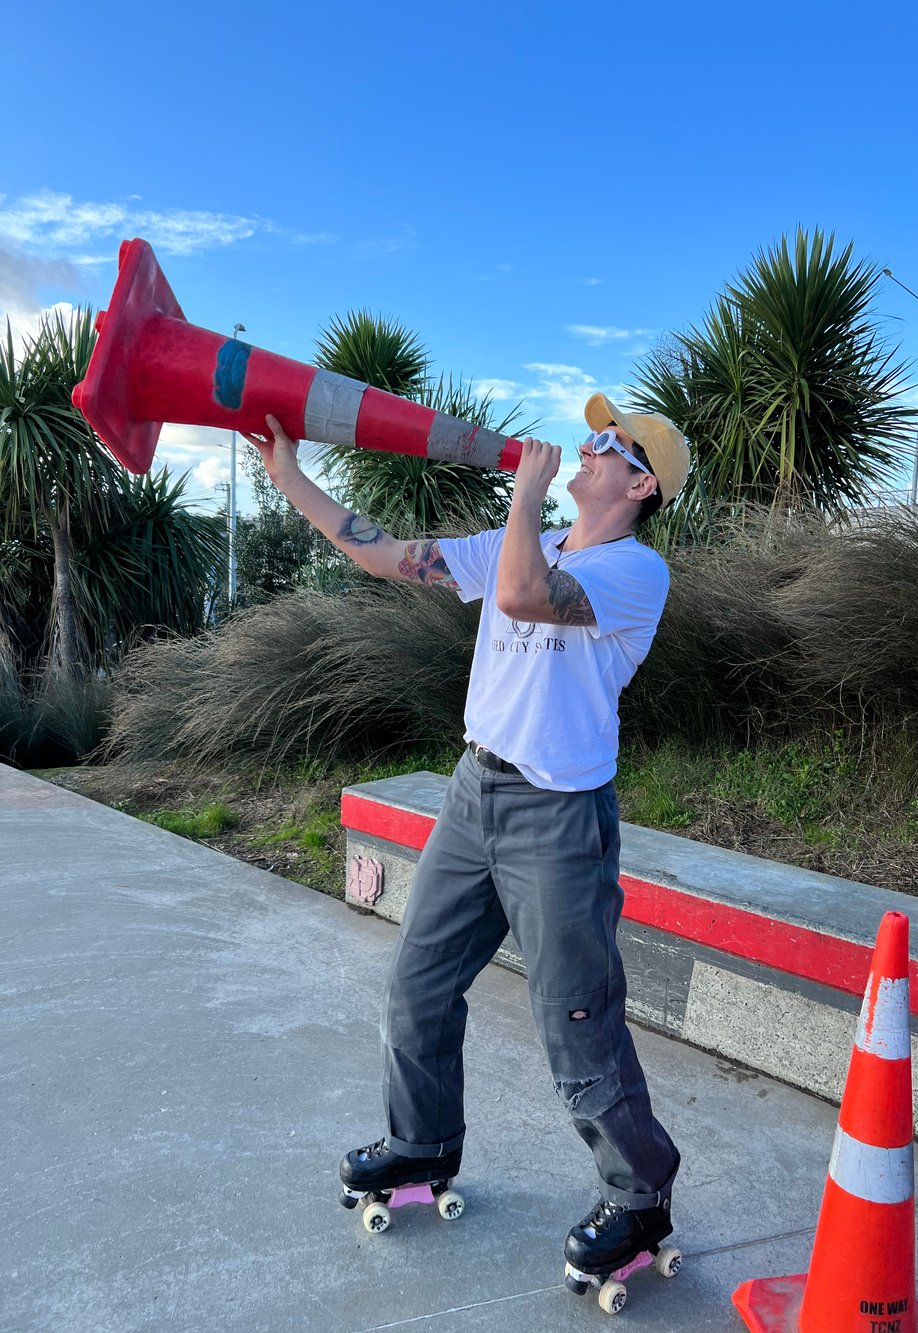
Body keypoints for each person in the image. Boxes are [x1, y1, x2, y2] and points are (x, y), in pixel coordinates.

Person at [247, 392, 690, 1279]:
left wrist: (524, 495)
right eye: (592, 435)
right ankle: (421, 1142)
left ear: (640, 483)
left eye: (607, 445)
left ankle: (640, 1195)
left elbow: (525, 597)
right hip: (474, 788)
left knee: (576, 1018)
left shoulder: (637, 573)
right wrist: (290, 476)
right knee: (417, 983)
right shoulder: (520, 541)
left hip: (558, 815)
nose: (585, 448)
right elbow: (385, 555)